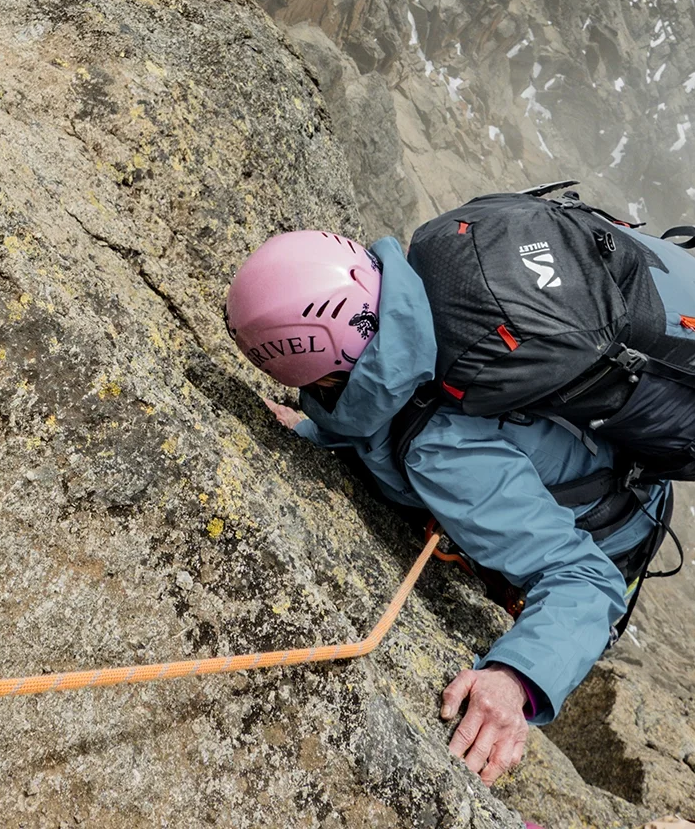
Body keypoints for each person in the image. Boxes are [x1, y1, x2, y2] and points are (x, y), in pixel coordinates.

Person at [227, 230, 671, 787]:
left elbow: (585, 578)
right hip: (601, 465)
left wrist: (515, 679)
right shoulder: (426, 288)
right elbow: (389, 401)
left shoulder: (441, 453)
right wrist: (323, 431)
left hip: (611, 536)